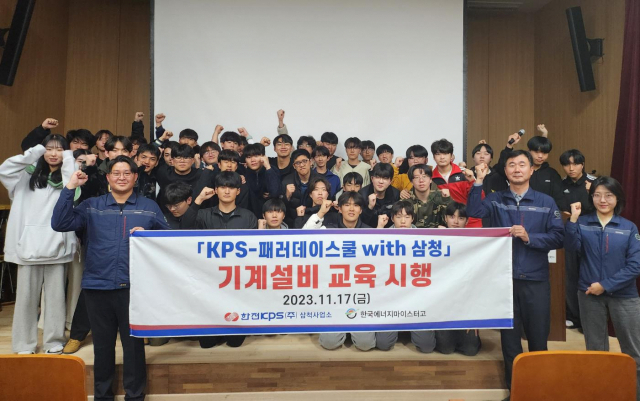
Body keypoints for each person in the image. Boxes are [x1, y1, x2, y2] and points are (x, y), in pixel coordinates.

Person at [52, 155, 169, 400]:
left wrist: (149, 236)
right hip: (97, 286)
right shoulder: (92, 205)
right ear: (108, 177)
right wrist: (70, 187)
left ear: (135, 177)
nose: (121, 177)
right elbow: (60, 223)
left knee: (134, 346)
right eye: (116, 173)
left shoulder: (149, 206)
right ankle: (103, 395)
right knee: (102, 346)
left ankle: (134, 395)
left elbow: (168, 240)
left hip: (134, 287)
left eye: (127, 173)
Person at [467, 150, 564, 396]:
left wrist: (530, 237)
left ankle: (539, 393)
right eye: (512, 165)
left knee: (538, 341)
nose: (517, 169)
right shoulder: (496, 199)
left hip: (535, 280)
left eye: (522, 164)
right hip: (505, 281)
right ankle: (517, 393)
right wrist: (479, 181)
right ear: (505, 171)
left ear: (531, 170)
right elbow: (474, 212)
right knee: (510, 344)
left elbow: (558, 237)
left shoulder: (546, 202)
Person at [565, 176, 640, 400]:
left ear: (617, 199)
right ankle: (600, 394)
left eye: (608, 195)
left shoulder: (628, 228)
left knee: (633, 352)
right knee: (596, 350)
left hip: (624, 296)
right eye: (597, 195)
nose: (602, 200)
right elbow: (571, 249)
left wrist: (605, 286)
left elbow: (635, 265)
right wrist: (572, 221)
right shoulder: (583, 223)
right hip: (589, 294)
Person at [1, 135, 77, 355]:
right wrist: (34, 152)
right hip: (28, 247)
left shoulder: (68, 176)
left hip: (57, 246)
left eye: (59, 149)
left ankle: (54, 341)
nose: (54, 153)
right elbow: (4, 169)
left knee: (56, 300)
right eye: (49, 149)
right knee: (26, 300)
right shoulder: (24, 175)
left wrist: (69, 157)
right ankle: (24, 344)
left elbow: (73, 185)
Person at [186, 171, 256, 349]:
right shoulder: (203, 214)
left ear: (238, 191)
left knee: (234, 343)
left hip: (237, 283)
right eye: (222, 187)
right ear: (216, 190)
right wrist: (198, 200)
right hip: (208, 282)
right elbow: (184, 228)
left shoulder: (248, 217)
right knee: (207, 344)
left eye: (231, 187)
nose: (226, 191)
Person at [303, 191, 376, 351]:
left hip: (361, 297)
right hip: (335, 296)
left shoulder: (371, 233)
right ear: (340, 209)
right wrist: (321, 213)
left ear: (361, 210)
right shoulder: (328, 230)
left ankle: (352, 330)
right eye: (347, 205)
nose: (351, 209)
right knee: (329, 343)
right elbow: (305, 238)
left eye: (356, 205)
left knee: (365, 345)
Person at [375, 200, 436, 354]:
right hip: (390, 297)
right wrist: (379, 229)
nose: (403, 221)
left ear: (412, 218)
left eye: (407, 217)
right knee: (383, 344)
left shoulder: (424, 238)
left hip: (416, 297)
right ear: (392, 218)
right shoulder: (382, 236)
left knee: (427, 346)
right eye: (398, 216)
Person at [435, 202, 482, 356]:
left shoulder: (474, 243)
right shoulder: (433, 239)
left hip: (465, 302)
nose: (455, 221)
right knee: (446, 348)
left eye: (461, 218)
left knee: (470, 350)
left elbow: (478, 280)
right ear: (445, 218)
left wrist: (474, 315)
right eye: (451, 217)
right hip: (442, 303)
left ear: (467, 221)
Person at [560, 149, 596, 330]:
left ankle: (589, 320)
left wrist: (593, 192)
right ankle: (573, 316)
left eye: (575, 164)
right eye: (567, 164)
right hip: (570, 234)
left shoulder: (594, 183)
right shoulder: (561, 185)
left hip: (592, 235)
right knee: (570, 275)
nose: (571, 168)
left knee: (590, 274)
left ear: (582, 164)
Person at [499, 127, 568, 212]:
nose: (540, 156)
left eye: (544, 153)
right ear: (529, 151)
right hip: (517, 211)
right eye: (536, 152)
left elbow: (559, 199)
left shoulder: (552, 174)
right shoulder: (520, 170)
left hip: (543, 214)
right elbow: (501, 169)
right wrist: (509, 146)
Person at [430, 138, 481, 227]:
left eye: (445, 153)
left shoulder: (464, 173)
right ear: (434, 157)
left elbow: (478, 198)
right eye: (438, 154)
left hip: (467, 222)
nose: (442, 157)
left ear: (451, 156)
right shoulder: (430, 178)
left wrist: (472, 181)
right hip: (444, 225)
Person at [243, 143, 281, 219]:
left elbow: (275, 193)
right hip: (249, 216)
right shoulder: (244, 173)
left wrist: (268, 167)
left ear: (263, 157)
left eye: (256, 156)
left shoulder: (272, 170)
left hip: (270, 215)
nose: (253, 160)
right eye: (249, 157)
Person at [282, 149, 320, 225]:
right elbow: (282, 208)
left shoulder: (320, 181)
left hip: (314, 221)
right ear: (294, 166)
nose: (302, 165)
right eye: (298, 163)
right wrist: (287, 197)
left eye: (304, 161)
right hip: (292, 222)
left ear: (310, 162)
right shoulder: (286, 181)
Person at [359, 163, 400, 228]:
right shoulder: (362, 194)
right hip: (368, 231)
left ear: (390, 181)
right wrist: (369, 208)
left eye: (385, 178)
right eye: (377, 177)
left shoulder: (396, 194)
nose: (381, 181)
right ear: (372, 178)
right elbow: (359, 222)